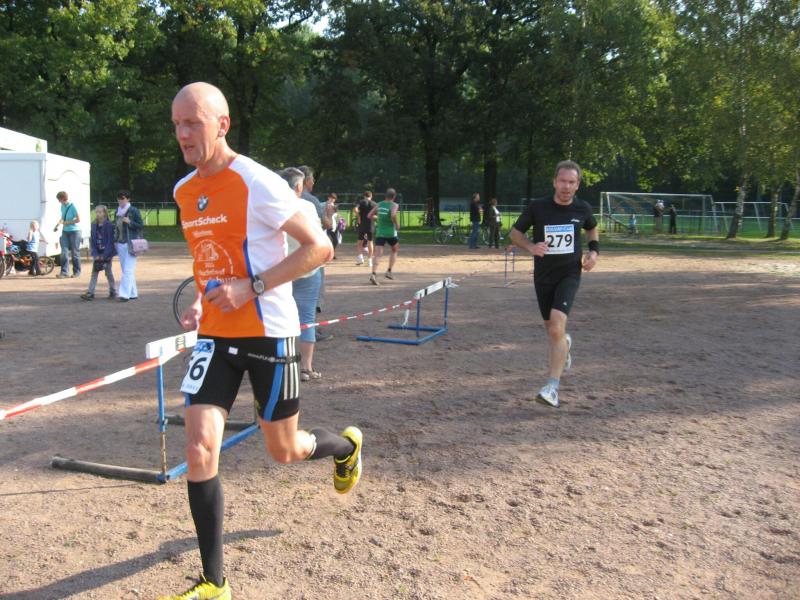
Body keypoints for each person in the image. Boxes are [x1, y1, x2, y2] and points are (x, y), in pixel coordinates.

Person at [165, 82, 362, 600]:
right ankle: (215, 584)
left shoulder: (257, 182)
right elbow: (211, 259)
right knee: (199, 448)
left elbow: (319, 248)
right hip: (215, 337)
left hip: (269, 335)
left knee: (285, 451)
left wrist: (250, 288)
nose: (183, 133)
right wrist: (203, 299)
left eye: (193, 122)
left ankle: (346, 447)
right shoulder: (184, 191)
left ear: (222, 124)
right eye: (177, 124)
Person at [509, 159, 599, 408]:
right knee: (553, 330)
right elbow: (515, 233)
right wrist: (531, 246)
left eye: (571, 182)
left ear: (577, 185)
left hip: (569, 274)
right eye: (562, 181)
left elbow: (592, 229)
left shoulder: (582, 208)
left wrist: (593, 252)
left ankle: (552, 388)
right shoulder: (538, 207)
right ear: (554, 182)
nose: (566, 186)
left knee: (557, 325)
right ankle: (564, 346)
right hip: (543, 276)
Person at [280, 167, 328, 381]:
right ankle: (306, 368)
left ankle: (280, 364)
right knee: (307, 319)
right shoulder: (307, 206)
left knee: (279, 317)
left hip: (280, 271)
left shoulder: (271, 206)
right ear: (299, 186)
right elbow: (319, 237)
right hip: (308, 268)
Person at [298, 165, 333, 341]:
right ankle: (310, 329)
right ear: (305, 181)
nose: (313, 183)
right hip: (311, 252)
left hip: (289, 252)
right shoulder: (310, 200)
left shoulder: (282, 197)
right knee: (313, 293)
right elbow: (327, 224)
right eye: (312, 179)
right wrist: (329, 214)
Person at [113, 190, 144, 302]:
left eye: (122, 198)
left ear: (128, 199)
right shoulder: (117, 211)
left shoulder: (133, 210)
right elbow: (116, 228)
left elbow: (141, 225)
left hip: (131, 243)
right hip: (120, 243)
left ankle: (124, 294)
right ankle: (133, 293)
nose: (120, 200)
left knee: (128, 269)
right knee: (126, 269)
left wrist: (130, 222)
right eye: (118, 198)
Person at [80, 205, 116, 300]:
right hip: (97, 252)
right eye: (96, 212)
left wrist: (105, 255)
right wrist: (95, 254)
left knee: (108, 273)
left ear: (104, 213)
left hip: (107, 253)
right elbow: (92, 241)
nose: (98, 214)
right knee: (94, 272)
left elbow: (110, 241)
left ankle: (113, 290)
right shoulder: (93, 225)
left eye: (100, 212)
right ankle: (90, 292)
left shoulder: (109, 225)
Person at [368, 188, 400, 285]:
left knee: (378, 254)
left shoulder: (379, 204)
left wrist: (378, 219)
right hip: (391, 232)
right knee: (395, 249)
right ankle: (389, 271)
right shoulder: (394, 205)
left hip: (380, 232)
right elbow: (393, 215)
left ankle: (373, 274)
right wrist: (397, 224)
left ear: (385, 195)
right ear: (394, 196)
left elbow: (369, 215)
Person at [55, 191, 82, 278]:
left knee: (75, 252)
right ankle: (64, 272)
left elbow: (78, 219)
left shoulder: (73, 206)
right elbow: (63, 218)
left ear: (63, 198)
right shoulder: (62, 206)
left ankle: (77, 272)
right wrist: (58, 224)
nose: (59, 201)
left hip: (75, 231)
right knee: (64, 252)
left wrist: (68, 222)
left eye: (59, 199)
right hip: (65, 231)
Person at [355, 190, 376, 267]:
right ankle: (369, 261)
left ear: (364, 196)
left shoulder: (361, 202)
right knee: (370, 242)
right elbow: (377, 215)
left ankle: (360, 258)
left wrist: (359, 217)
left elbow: (355, 209)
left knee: (360, 242)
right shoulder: (374, 203)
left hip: (362, 225)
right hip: (370, 225)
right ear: (371, 196)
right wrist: (373, 217)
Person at [324, 192, 340, 258]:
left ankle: (332, 253)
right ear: (328, 198)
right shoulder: (325, 205)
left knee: (336, 240)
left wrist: (338, 216)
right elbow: (324, 214)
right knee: (328, 239)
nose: (333, 200)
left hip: (334, 225)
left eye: (334, 199)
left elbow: (337, 215)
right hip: (327, 224)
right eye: (331, 198)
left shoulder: (334, 205)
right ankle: (327, 254)